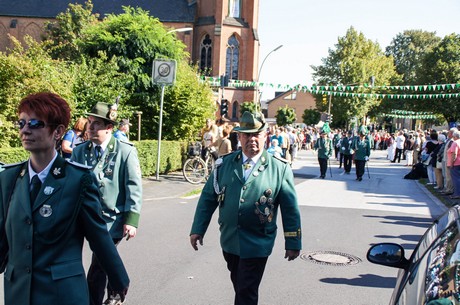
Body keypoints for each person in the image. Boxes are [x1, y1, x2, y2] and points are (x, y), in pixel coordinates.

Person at [0, 92, 129, 305]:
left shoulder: (78, 180)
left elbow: (98, 237)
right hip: (19, 294)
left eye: (34, 123)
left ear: (58, 131)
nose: (25, 129)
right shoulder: (9, 179)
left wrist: (118, 279)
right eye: (21, 123)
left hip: (62, 294)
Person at [189, 111, 302, 305]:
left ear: (265, 136)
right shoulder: (223, 165)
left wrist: (293, 242)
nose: (252, 139)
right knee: (240, 285)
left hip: (258, 242)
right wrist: (198, 229)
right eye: (247, 134)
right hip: (230, 240)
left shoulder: (280, 169)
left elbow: (290, 209)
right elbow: (208, 198)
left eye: (256, 134)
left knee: (246, 290)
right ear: (239, 136)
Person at [70, 101, 142, 305]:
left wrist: (131, 220)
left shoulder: (124, 151)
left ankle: (98, 298)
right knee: (103, 258)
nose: (90, 127)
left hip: (112, 219)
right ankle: (116, 290)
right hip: (83, 216)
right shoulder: (80, 151)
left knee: (99, 262)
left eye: (96, 124)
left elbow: (133, 187)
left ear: (109, 127)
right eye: (89, 122)